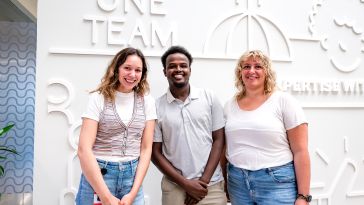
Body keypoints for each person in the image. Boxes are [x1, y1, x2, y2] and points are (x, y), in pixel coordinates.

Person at [223, 50, 311, 205]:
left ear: (267, 72)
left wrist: (303, 196)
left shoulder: (284, 101)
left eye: (258, 66)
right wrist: (225, 183)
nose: (251, 71)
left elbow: (301, 151)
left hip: (276, 183)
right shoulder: (229, 105)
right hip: (238, 183)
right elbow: (224, 148)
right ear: (240, 72)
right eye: (246, 66)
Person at [76, 47, 156, 205]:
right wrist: (105, 196)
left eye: (138, 70)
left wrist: (133, 193)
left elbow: (146, 149)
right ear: (116, 69)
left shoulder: (147, 101)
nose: (132, 74)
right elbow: (84, 149)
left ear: (142, 74)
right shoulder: (98, 98)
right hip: (99, 177)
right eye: (127, 68)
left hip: (132, 180)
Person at [151, 45, 227, 205]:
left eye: (183, 65)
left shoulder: (209, 98)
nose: (178, 69)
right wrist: (186, 184)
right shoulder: (156, 107)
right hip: (175, 187)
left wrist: (202, 183)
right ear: (164, 72)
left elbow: (219, 140)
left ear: (190, 70)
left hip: (210, 186)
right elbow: (155, 153)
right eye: (172, 66)